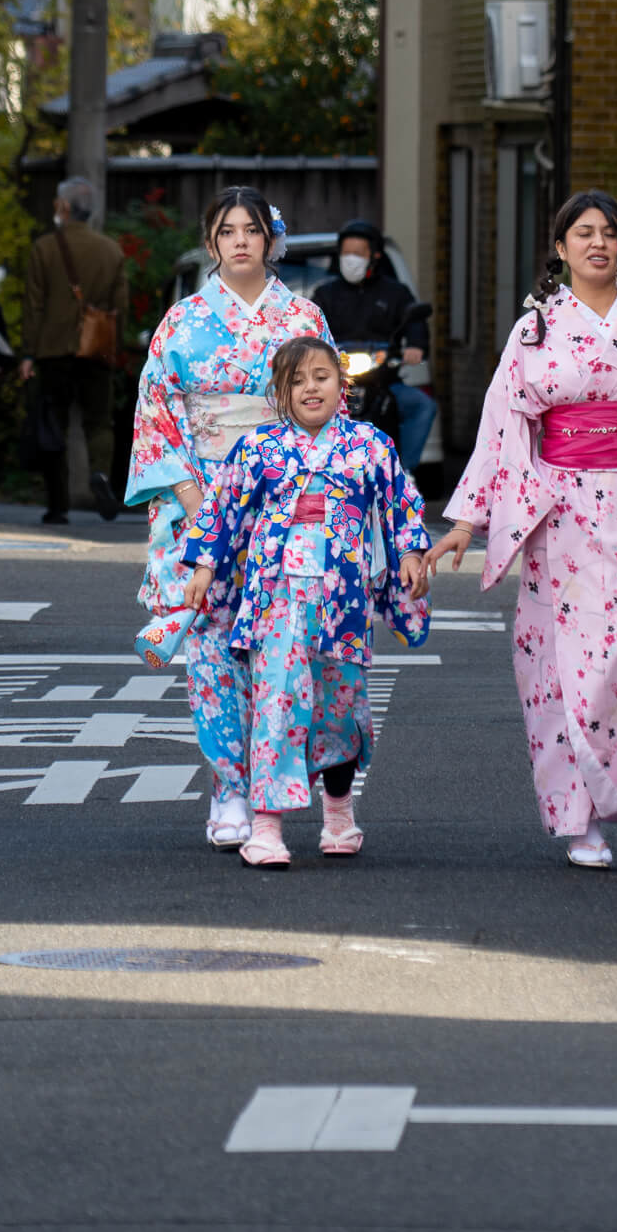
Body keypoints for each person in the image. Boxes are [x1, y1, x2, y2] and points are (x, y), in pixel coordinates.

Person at [427, 190, 617, 870]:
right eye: (582, 233)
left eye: (608, 233)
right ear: (560, 247)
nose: (596, 243)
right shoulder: (535, 329)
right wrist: (466, 520)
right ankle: (579, 818)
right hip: (562, 518)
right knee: (564, 671)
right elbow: (501, 426)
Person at [126, 186, 336, 852]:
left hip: (285, 496)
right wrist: (199, 505)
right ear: (210, 241)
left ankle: (271, 786)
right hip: (204, 490)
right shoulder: (182, 321)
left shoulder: (302, 316)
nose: (241, 240)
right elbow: (157, 415)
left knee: (281, 644)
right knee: (213, 644)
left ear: (270, 239)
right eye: (227, 230)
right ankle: (230, 788)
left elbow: (322, 402)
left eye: (252, 229)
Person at [182, 334, 431, 867]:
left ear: (342, 382)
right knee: (276, 705)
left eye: (321, 376)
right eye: (296, 381)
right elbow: (222, 511)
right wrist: (205, 565)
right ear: (280, 392)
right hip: (276, 597)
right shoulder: (258, 448)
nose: (310, 388)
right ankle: (267, 826)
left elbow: (401, 506)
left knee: (341, 705)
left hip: (343, 600)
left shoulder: (370, 445)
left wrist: (410, 555)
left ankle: (339, 812)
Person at [20, 176, 129, 525]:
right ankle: (100, 475)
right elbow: (119, 308)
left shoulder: (44, 248)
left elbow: (34, 305)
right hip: (96, 350)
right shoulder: (111, 251)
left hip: (53, 351)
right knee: (99, 422)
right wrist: (115, 349)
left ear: (64, 208)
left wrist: (27, 353)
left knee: (55, 425)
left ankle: (58, 504)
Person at [312, 219, 437, 471]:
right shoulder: (325, 294)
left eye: (358, 254)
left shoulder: (395, 293)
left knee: (423, 406)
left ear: (375, 255)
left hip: (384, 381)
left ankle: (402, 472)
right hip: (334, 385)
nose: (351, 259)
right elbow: (309, 329)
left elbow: (415, 321)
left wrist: (416, 346)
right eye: (346, 253)